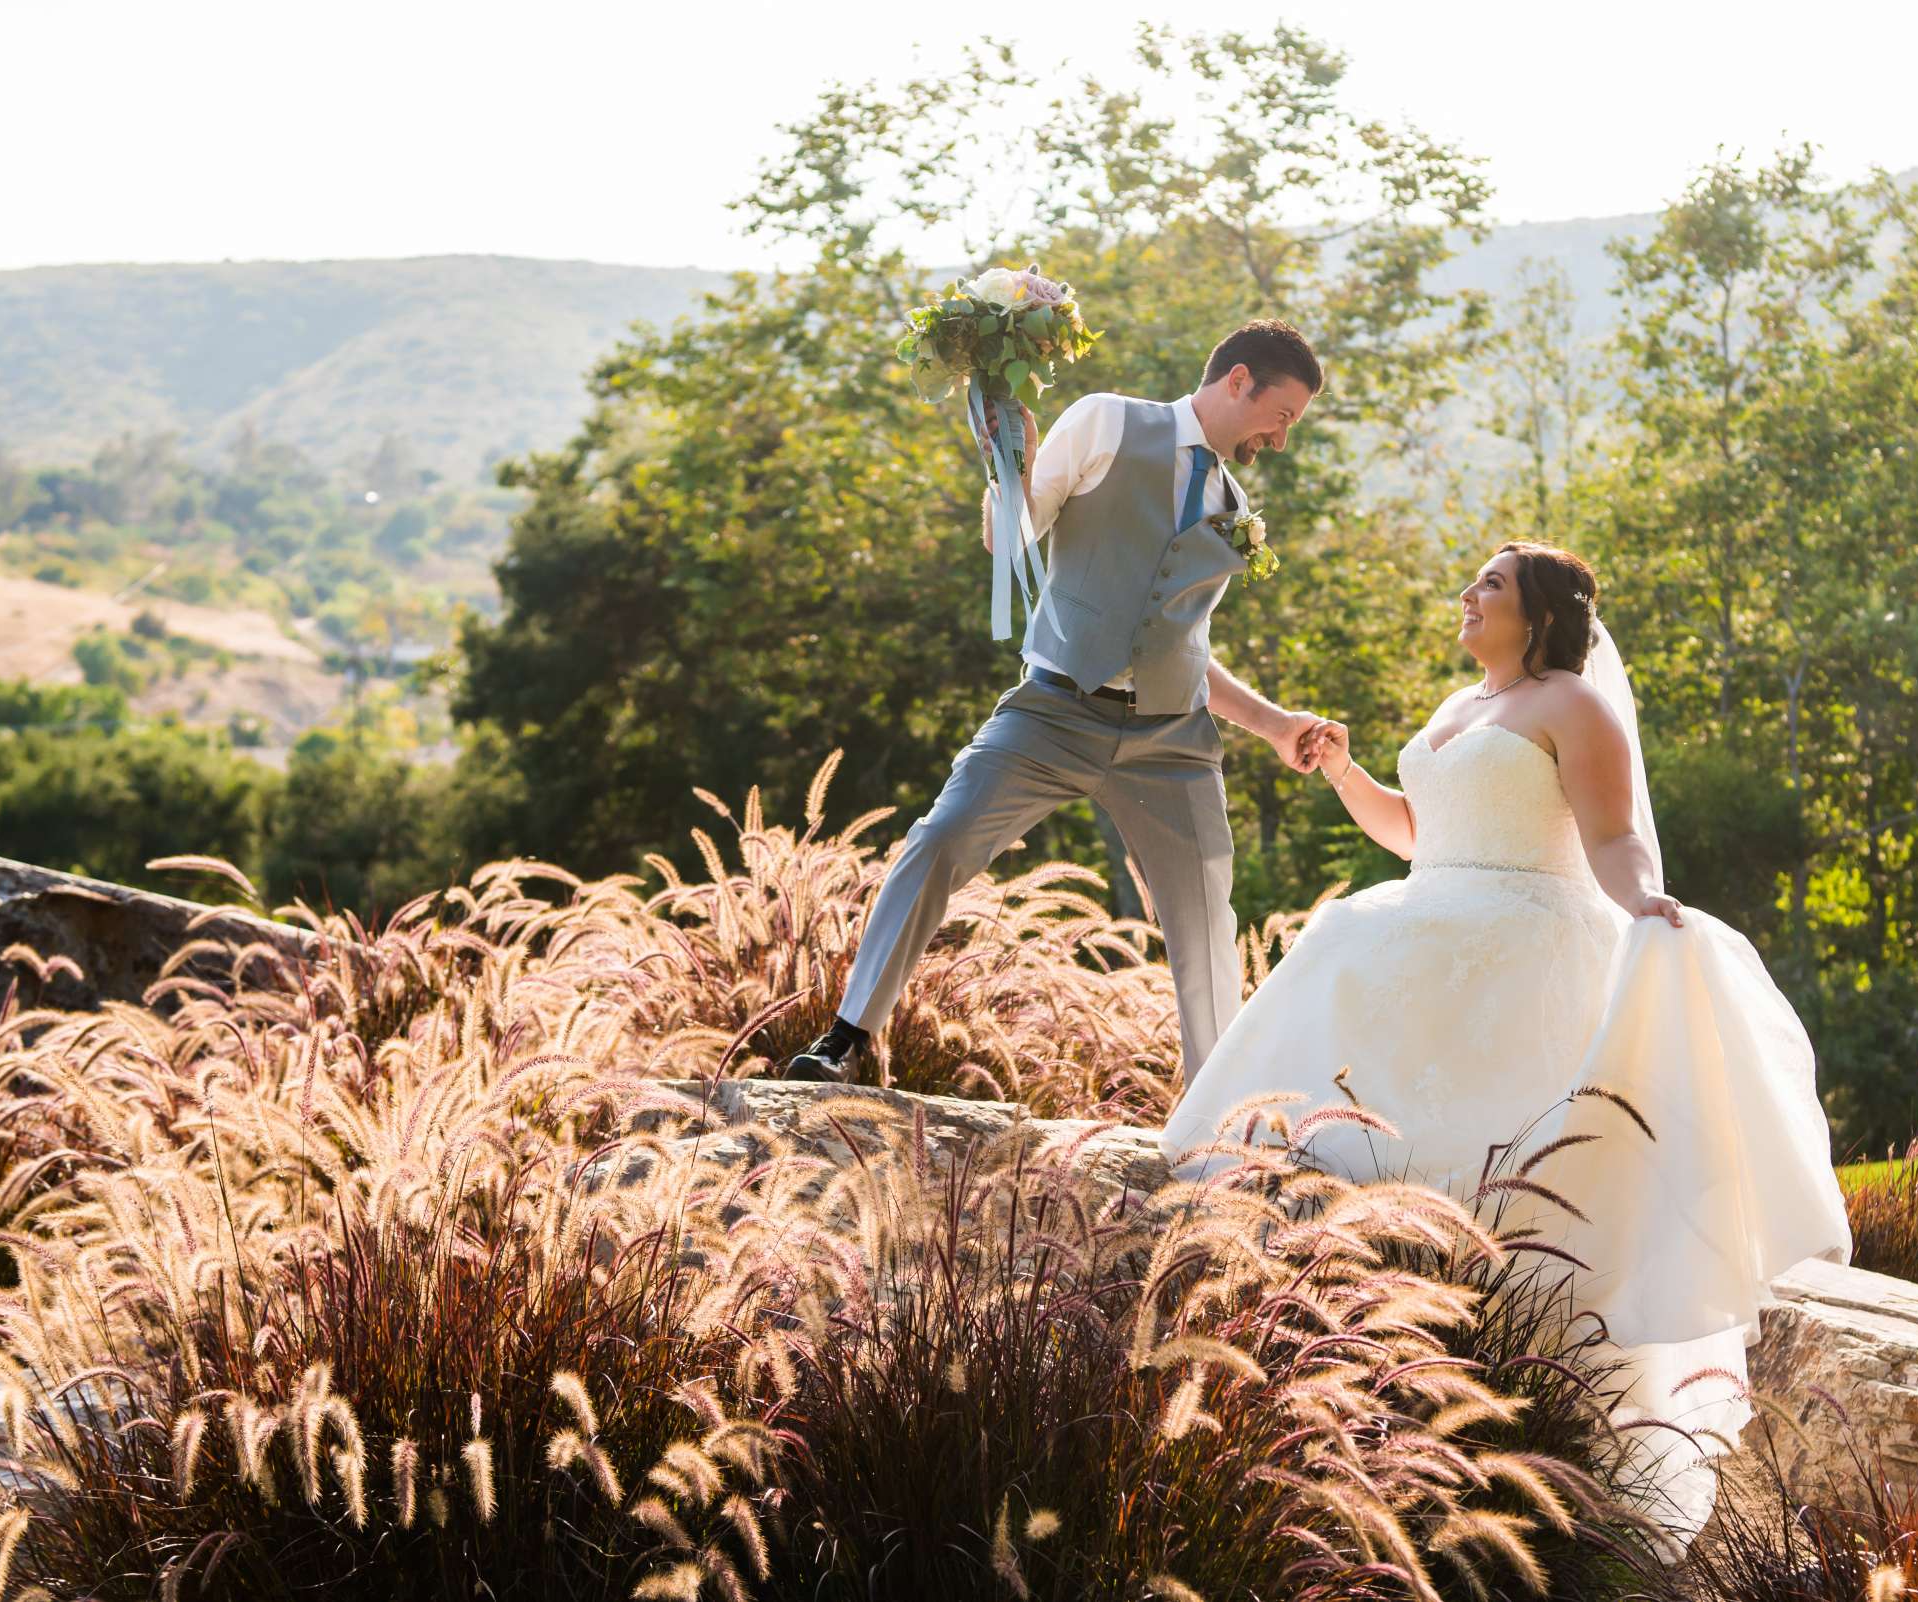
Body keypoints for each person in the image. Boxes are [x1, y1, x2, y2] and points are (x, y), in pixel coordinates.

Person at [1158, 540, 1853, 1562]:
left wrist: (1645, 902)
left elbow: (1615, 836)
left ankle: (1537, 1402)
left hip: (1523, 940)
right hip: (1428, 920)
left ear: (1537, 615)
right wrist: (1343, 766)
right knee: (1342, 941)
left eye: (1490, 585)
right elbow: (1411, 834)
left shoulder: (1571, 704)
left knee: (1506, 1168)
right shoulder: (1455, 709)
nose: (1468, 596)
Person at [781, 319, 1332, 1083]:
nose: (1281, 438)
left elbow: (1182, 646)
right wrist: (1011, 469)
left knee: (1207, 921)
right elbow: (1013, 535)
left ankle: (1218, 1110)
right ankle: (846, 1041)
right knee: (939, 841)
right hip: (1054, 711)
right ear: (1239, 381)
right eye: (1283, 417)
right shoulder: (1109, 419)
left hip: (1171, 743)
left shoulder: (1233, 505)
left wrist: (1276, 726)